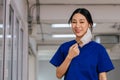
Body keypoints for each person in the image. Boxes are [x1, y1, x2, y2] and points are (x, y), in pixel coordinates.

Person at [50, 8, 114, 80]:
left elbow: (102, 77)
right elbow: (58, 75)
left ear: (89, 24)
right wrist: (69, 57)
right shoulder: (64, 47)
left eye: (82, 22)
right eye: (74, 22)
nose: (77, 25)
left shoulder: (99, 49)